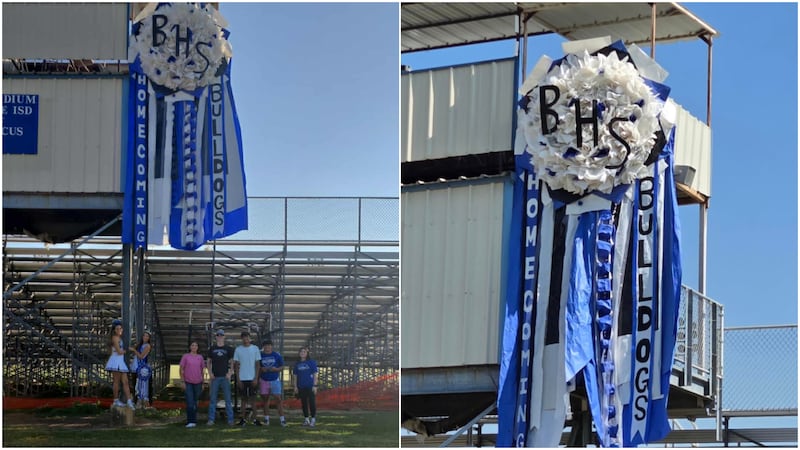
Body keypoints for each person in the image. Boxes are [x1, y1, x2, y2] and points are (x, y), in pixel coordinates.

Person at [206, 329, 235, 426]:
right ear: (216, 337)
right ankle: (211, 420)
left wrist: (230, 373)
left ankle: (230, 420)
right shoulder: (212, 348)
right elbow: (208, 362)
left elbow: (232, 362)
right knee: (213, 399)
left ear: (224, 337)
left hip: (225, 377)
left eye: (221, 335)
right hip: (215, 377)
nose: (220, 337)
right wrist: (210, 373)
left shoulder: (228, 349)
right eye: (218, 335)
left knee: (228, 399)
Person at [105, 319, 135, 409]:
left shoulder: (119, 338)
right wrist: (127, 350)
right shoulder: (115, 338)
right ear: (114, 330)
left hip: (120, 361)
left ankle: (129, 401)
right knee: (117, 382)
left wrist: (130, 349)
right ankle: (116, 400)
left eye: (120, 328)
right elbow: (119, 351)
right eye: (117, 329)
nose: (120, 330)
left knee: (125, 382)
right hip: (116, 361)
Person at [233, 331, 261, 426]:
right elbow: (236, 365)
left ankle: (255, 419)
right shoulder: (238, 349)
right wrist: (238, 379)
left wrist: (256, 378)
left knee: (253, 399)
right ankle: (243, 419)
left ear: (250, 338)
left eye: (247, 337)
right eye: (244, 337)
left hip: (252, 378)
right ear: (242, 339)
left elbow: (257, 364)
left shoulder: (255, 348)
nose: (246, 339)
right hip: (242, 378)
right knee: (243, 399)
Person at [258, 340, 286, 427]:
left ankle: (282, 419)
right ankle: (266, 419)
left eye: (269, 345)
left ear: (271, 346)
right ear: (263, 347)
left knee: (278, 399)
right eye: (266, 345)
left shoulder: (276, 355)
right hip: (264, 379)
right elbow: (257, 366)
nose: (267, 347)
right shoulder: (260, 355)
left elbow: (282, 366)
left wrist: (276, 369)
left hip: (274, 379)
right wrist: (261, 369)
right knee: (265, 399)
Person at [179, 341, 205, 428]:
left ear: (198, 347)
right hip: (188, 382)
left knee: (195, 402)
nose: (194, 347)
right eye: (192, 345)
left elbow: (202, 370)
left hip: (198, 383)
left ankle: (194, 420)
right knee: (190, 402)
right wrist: (182, 381)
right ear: (190, 347)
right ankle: (190, 421)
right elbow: (181, 369)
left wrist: (203, 382)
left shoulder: (200, 357)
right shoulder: (185, 356)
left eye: (196, 345)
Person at [293, 346, 319, 427]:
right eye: (301, 352)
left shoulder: (311, 362)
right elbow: (295, 376)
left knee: (312, 403)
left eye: (304, 352)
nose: (302, 353)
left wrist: (315, 385)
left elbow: (315, 374)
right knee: (303, 403)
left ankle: (313, 419)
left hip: (310, 386)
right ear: (299, 353)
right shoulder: (297, 364)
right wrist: (295, 386)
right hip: (301, 386)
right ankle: (306, 419)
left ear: (307, 353)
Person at [129, 330, 152, 409]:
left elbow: (141, 356)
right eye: (144, 335)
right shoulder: (140, 345)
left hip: (141, 367)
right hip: (135, 366)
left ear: (149, 338)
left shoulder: (147, 346)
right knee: (134, 383)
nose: (145, 337)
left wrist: (134, 350)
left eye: (147, 336)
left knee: (141, 384)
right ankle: (135, 401)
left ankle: (142, 401)